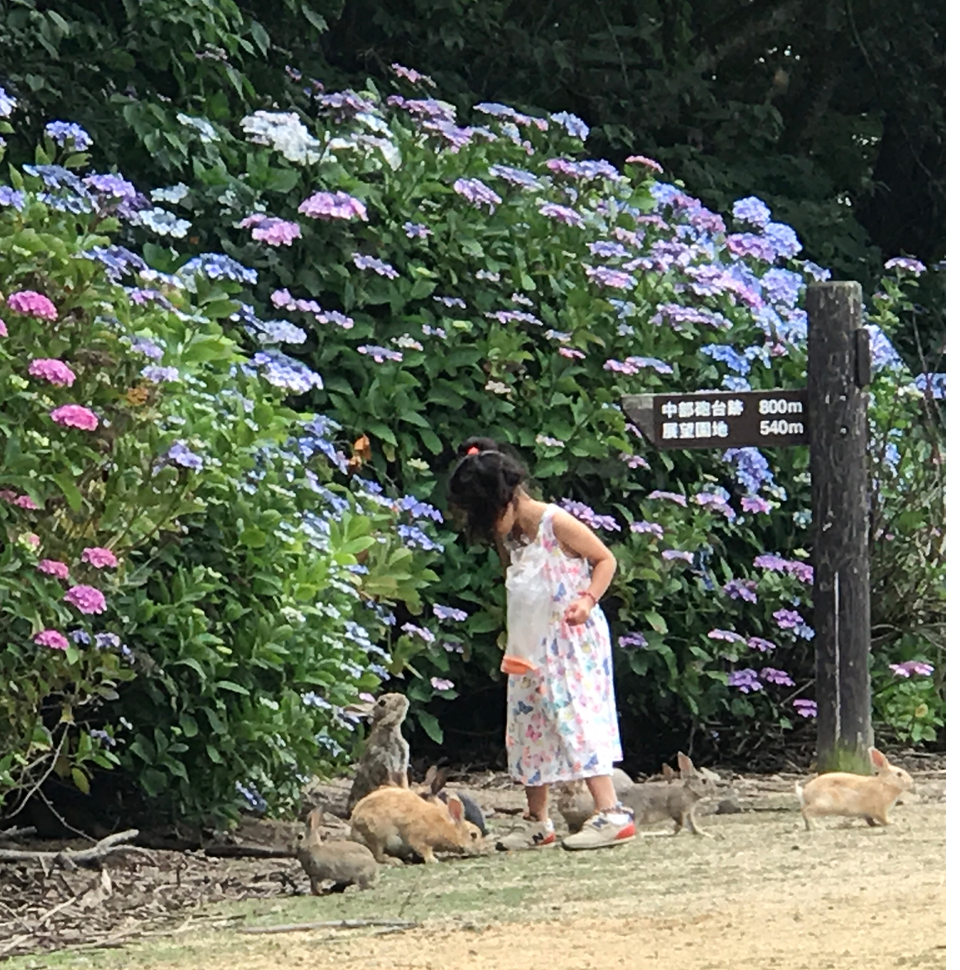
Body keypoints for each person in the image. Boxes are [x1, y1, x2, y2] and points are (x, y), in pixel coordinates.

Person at [446, 436, 635, 851]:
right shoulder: (511, 536)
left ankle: (611, 811)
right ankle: (538, 819)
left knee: (575, 716)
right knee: (529, 725)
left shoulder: (555, 523)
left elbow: (606, 560)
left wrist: (586, 600)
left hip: (571, 642)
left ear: (507, 498)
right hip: (530, 645)